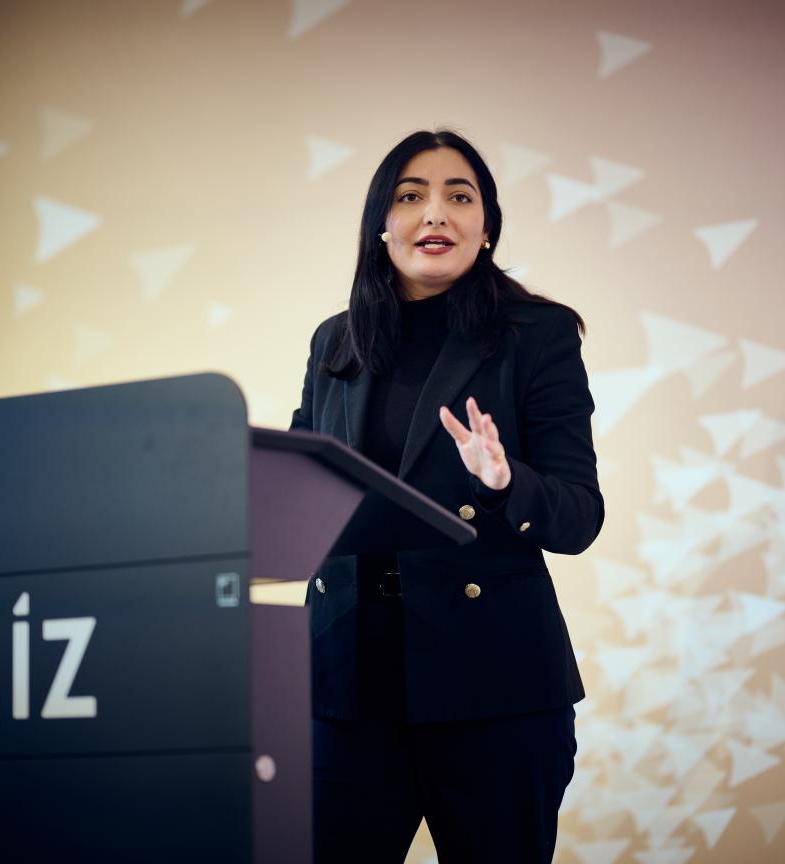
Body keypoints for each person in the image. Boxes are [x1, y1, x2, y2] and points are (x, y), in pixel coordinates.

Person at [290, 129, 603, 863]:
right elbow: (304, 492)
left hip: (493, 689)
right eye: (410, 196)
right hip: (346, 685)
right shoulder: (334, 342)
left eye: (459, 196)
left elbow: (579, 514)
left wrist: (503, 482)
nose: (435, 213)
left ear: (486, 226)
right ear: (381, 225)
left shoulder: (539, 335)